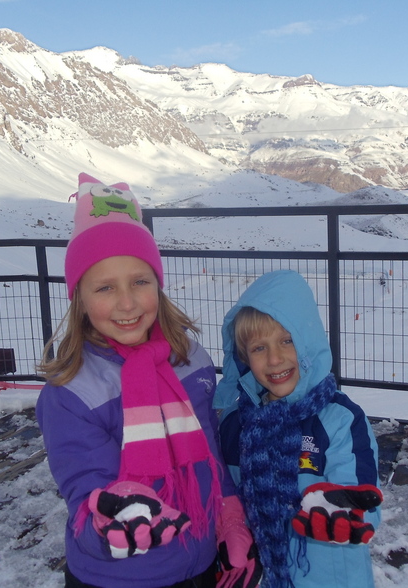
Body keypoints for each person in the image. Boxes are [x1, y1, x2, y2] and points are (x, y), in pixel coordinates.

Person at [36, 173, 261, 588]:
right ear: (80, 300)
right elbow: (84, 490)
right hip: (120, 575)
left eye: (140, 281)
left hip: (199, 559)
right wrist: (108, 521)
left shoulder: (189, 358)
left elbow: (208, 451)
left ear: (158, 284)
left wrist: (229, 519)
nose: (127, 302)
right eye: (105, 287)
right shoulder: (71, 392)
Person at [214, 270, 383, 588]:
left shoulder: (339, 420)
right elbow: (228, 493)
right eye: (259, 348)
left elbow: (362, 493)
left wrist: (343, 510)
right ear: (244, 357)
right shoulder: (236, 424)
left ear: (309, 342)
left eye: (286, 341)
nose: (275, 359)